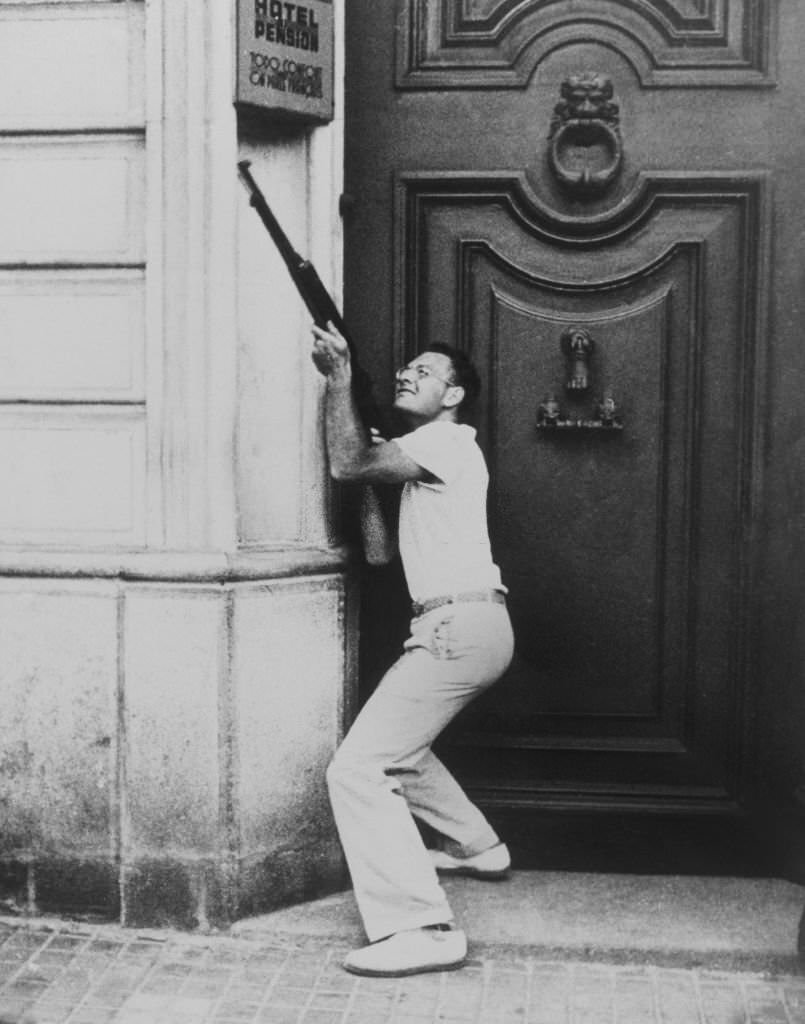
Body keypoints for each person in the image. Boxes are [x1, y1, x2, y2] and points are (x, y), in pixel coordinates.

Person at [311, 321, 515, 978]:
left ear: (453, 395)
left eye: (423, 372)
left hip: (458, 629)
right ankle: (477, 846)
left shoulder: (449, 442)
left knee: (356, 769)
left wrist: (340, 383)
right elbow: (377, 552)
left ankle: (421, 927)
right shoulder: (424, 453)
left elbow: (344, 463)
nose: (406, 373)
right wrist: (377, 470)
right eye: (405, 368)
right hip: (459, 628)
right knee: (399, 750)